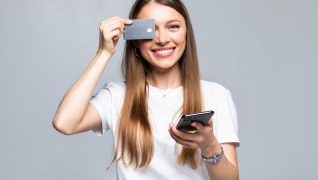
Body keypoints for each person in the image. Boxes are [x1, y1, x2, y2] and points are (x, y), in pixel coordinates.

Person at [52, 0, 240, 179]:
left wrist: (210, 147)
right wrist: (104, 52)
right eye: (151, 30)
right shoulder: (117, 96)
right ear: (134, 38)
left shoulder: (216, 95)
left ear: (186, 33)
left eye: (173, 27)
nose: (162, 39)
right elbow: (64, 123)